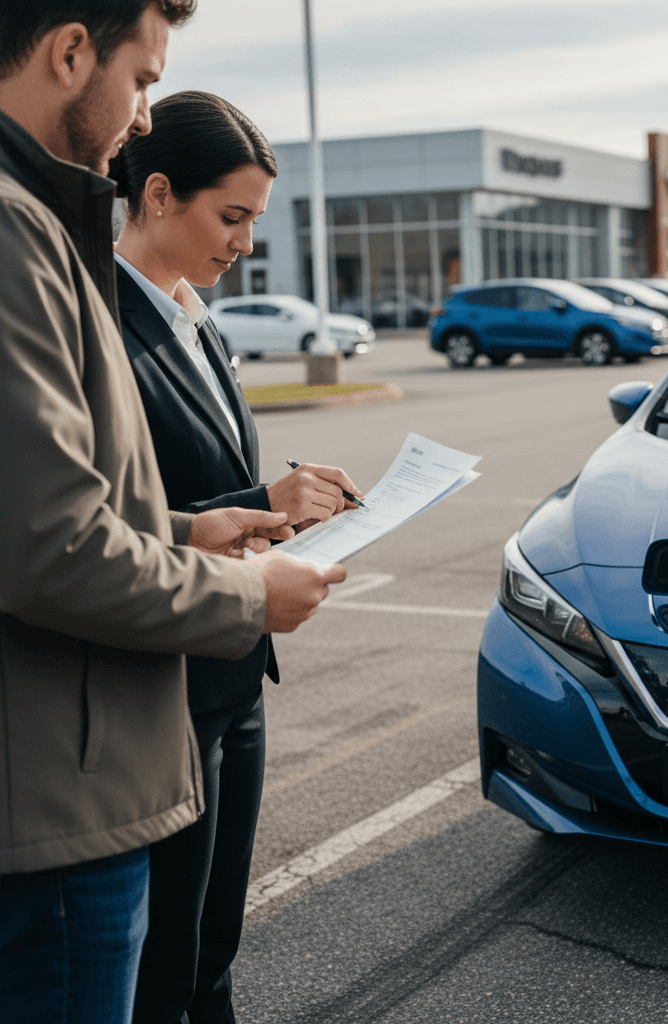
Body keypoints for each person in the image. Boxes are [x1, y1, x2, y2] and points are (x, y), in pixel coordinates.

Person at [0, 4, 346, 1022]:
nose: (140, 112)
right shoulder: (24, 235)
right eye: (143, 77)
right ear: (72, 52)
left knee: (200, 958)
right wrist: (243, 588)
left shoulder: (45, 225)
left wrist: (198, 528)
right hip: (65, 782)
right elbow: (54, 545)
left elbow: (64, 503)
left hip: (90, 755)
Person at [110, 89, 363, 1023]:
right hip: (160, 684)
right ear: (160, 194)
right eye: (232, 217)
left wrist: (283, 508)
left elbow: (208, 480)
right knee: (165, 954)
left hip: (235, 676)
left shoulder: (196, 317)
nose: (246, 244)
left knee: (216, 940)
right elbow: (106, 516)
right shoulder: (96, 324)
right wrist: (258, 504)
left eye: (255, 220)